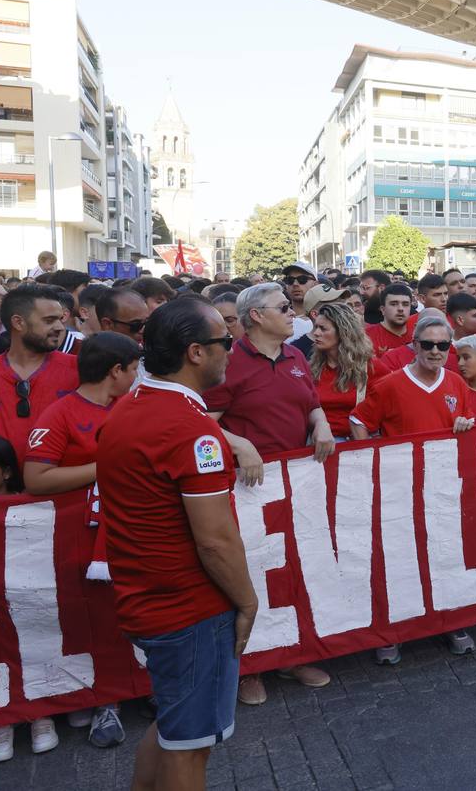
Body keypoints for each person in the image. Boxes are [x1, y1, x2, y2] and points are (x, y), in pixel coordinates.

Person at [96, 296, 255, 791]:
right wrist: (247, 601)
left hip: (150, 600)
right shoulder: (190, 428)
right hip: (190, 610)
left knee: (173, 727)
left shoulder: (130, 407)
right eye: (225, 341)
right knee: (191, 746)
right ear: (195, 352)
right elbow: (215, 541)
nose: (232, 350)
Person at [203, 282, 335, 704]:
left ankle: (292, 655)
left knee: (293, 570)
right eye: (283, 307)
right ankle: (247, 667)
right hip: (248, 490)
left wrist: (322, 423)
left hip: (299, 482)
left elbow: (310, 402)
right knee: (251, 573)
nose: (292, 312)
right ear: (256, 316)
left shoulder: (296, 355)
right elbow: (202, 420)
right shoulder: (228, 363)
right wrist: (238, 445)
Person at [21, 331, 140, 747]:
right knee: (99, 621)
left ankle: (146, 688)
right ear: (116, 371)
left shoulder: (132, 407)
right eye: (134, 367)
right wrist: (102, 467)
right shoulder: (61, 413)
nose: (138, 375)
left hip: (136, 532)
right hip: (84, 543)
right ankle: (105, 703)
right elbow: (36, 477)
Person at [350, 316, 476, 660]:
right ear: (414, 346)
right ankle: (393, 631)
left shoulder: (455, 382)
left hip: (444, 486)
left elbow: (466, 420)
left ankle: (451, 620)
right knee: (400, 559)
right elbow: (359, 421)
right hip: (399, 489)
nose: (435, 351)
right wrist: (370, 464)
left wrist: (465, 425)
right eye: (428, 344)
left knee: (447, 553)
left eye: (443, 345)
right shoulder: (390, 384)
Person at [0, 435, 62, 764]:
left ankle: (41, 716)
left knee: (36, 645)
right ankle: (1, 721)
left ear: (7, 473)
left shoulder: (30, 503)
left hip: (28, 598)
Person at [0, 285, 79, 464]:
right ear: (18, 322)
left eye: (60, 319)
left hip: (65, 488)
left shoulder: (79, 371)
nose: (60, 327)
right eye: (49, 320)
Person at [308, 302, 383, 439]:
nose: (316, 333)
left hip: (357, 446)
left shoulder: (371, 368)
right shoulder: (311, 368)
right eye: (316, 327)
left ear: (343, 332)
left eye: (323, 329)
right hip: (318, 445)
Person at [291, 284, 348, 357]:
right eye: (334, 307)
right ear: (315, 314)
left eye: (341, 304)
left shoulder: (350, 341)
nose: (341, 310)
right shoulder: (297, 351)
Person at [366, 283, 418, 355]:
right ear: (383, 309)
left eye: (405, 304)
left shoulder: (419, 336)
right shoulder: (366, 337)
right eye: (394, 304)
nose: (400, 309)